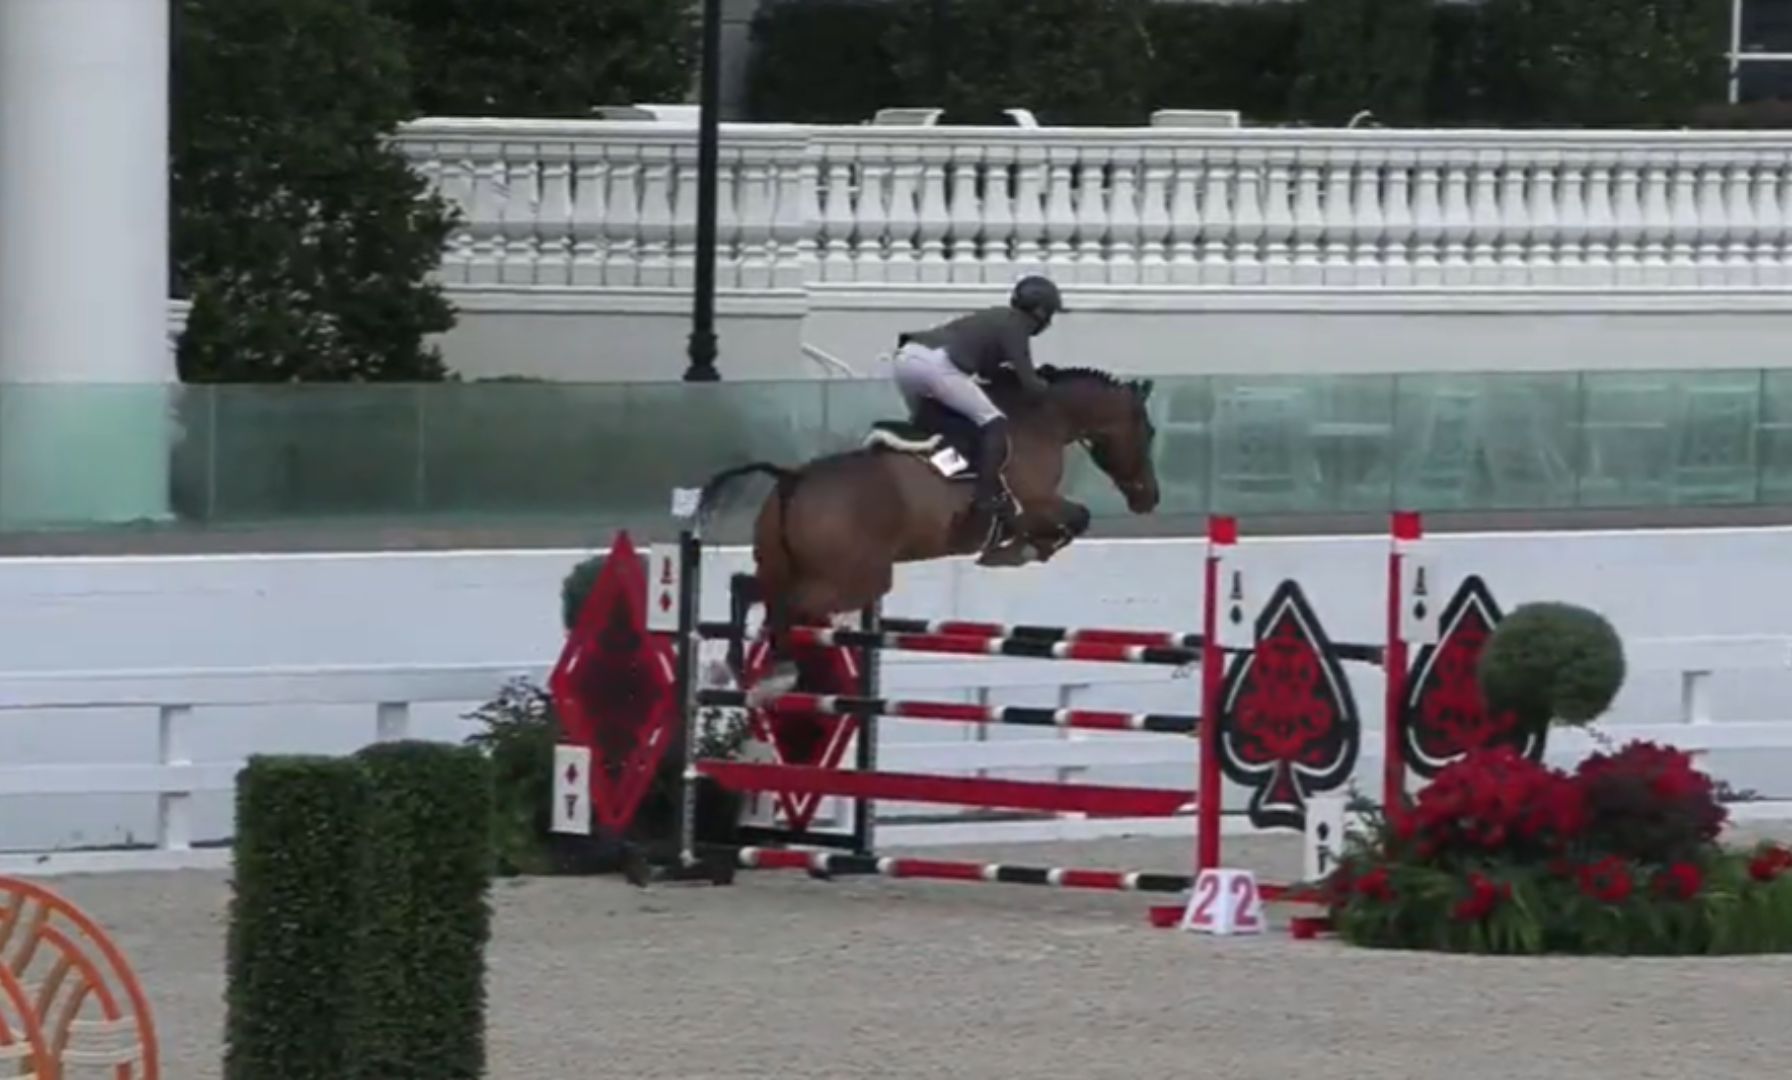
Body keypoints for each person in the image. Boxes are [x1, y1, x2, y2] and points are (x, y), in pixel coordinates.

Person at [889, 274, 1066, 542]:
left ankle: (942, 472)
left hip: (905, 359)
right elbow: (1030, 384)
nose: (1049, 322)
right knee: (994, 422)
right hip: (936, 365)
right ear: (1040, 311)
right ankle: (985, 498)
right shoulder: (1018, 326)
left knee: (936, 426)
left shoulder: (997, 317)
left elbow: (987, 370)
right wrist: (1054, 390)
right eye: (1050, 314)